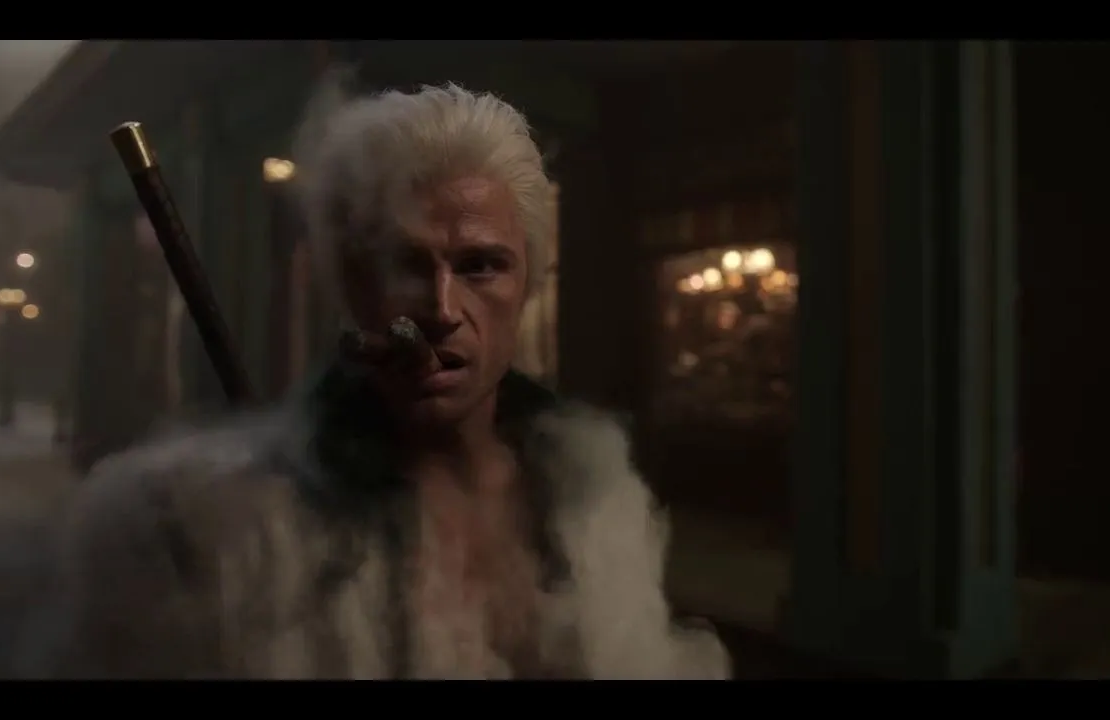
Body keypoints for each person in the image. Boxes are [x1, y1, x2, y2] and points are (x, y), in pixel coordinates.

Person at [45, 83, 731, 679]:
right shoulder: (210, 527)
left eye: (480, 265)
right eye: (407, 263)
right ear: (353, 286)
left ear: (527, 281)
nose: (442, 308)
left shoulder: (591, 490)